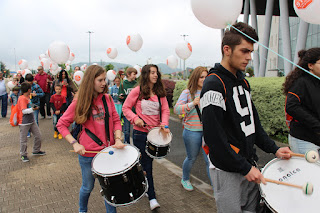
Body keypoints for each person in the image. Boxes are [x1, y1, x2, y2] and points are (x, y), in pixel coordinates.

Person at [200, 22, 292, 213]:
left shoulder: (243, 82)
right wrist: (245, 168)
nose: (249, 57)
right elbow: (214, 139)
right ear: (227, 49)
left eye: (251, 52)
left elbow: (253, 125)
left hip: (248, 164)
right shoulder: (213, 84)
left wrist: (274, 148)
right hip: (227, 170)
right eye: (244, 51)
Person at [57, 65, 125, 213]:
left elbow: (116, 120)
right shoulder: (79, 102)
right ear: (90, 81)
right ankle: (82, 210)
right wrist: (74, 143)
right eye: (100, 80)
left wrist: (118, 139)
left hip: (108, 153)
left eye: (104, 80)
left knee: (110, 189)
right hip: (88, 155)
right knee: (88, 187)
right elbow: (61, 124)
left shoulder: (107, 99)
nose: (104, 83)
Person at [122, 64, 170, 210]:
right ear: (146, 74)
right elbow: (125, 108)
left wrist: (164, 124)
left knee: (145, 165)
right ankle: (152, 196)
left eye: (157, 73)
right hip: (139, 134)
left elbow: (166, 111)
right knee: (147, 165)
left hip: (154, 135)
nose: (156, 75)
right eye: (152, 73)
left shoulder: (159, 92)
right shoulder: (137, 91)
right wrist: (135, 118)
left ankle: (142, 186)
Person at [174, 66, 211, 191]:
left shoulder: (210, 92)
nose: (204, 79)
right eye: (201, 77)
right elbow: (177, 109)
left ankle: (216, 188)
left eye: (206, 77)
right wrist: (192, 103)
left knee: (209, 161)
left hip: (208, 132)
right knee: (192, 157)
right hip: (192, 131)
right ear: (196, 78)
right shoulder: (188, 92)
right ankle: (185, 178)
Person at [283, 48, 320, 155]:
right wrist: (317, 125)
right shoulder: (301, 83)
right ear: (310, 65)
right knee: (310, 171)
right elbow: (291, 106)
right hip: (304, 139)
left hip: (316, 138)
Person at [17, 82, 46, 162]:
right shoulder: (22, 98)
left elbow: (29, 105)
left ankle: (36, 150)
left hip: (31, 121)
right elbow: (24, 111)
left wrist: (33, 107)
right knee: (23, 140)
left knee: (38, 135)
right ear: (29, 90)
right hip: (24, 122)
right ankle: (23, 154)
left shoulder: (27, 97)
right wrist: (33, 109)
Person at [118, 67, 137, 144]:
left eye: (136, 74)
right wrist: (120, 97)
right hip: (127, 111)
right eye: (133, 74)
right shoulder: (123, 84)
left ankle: (136, 146)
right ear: (128, 74)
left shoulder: (136, 84)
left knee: (136, 130)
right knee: (127, 131)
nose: (135, 76)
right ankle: (127, 144)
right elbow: (119, 98)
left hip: (136, 111)